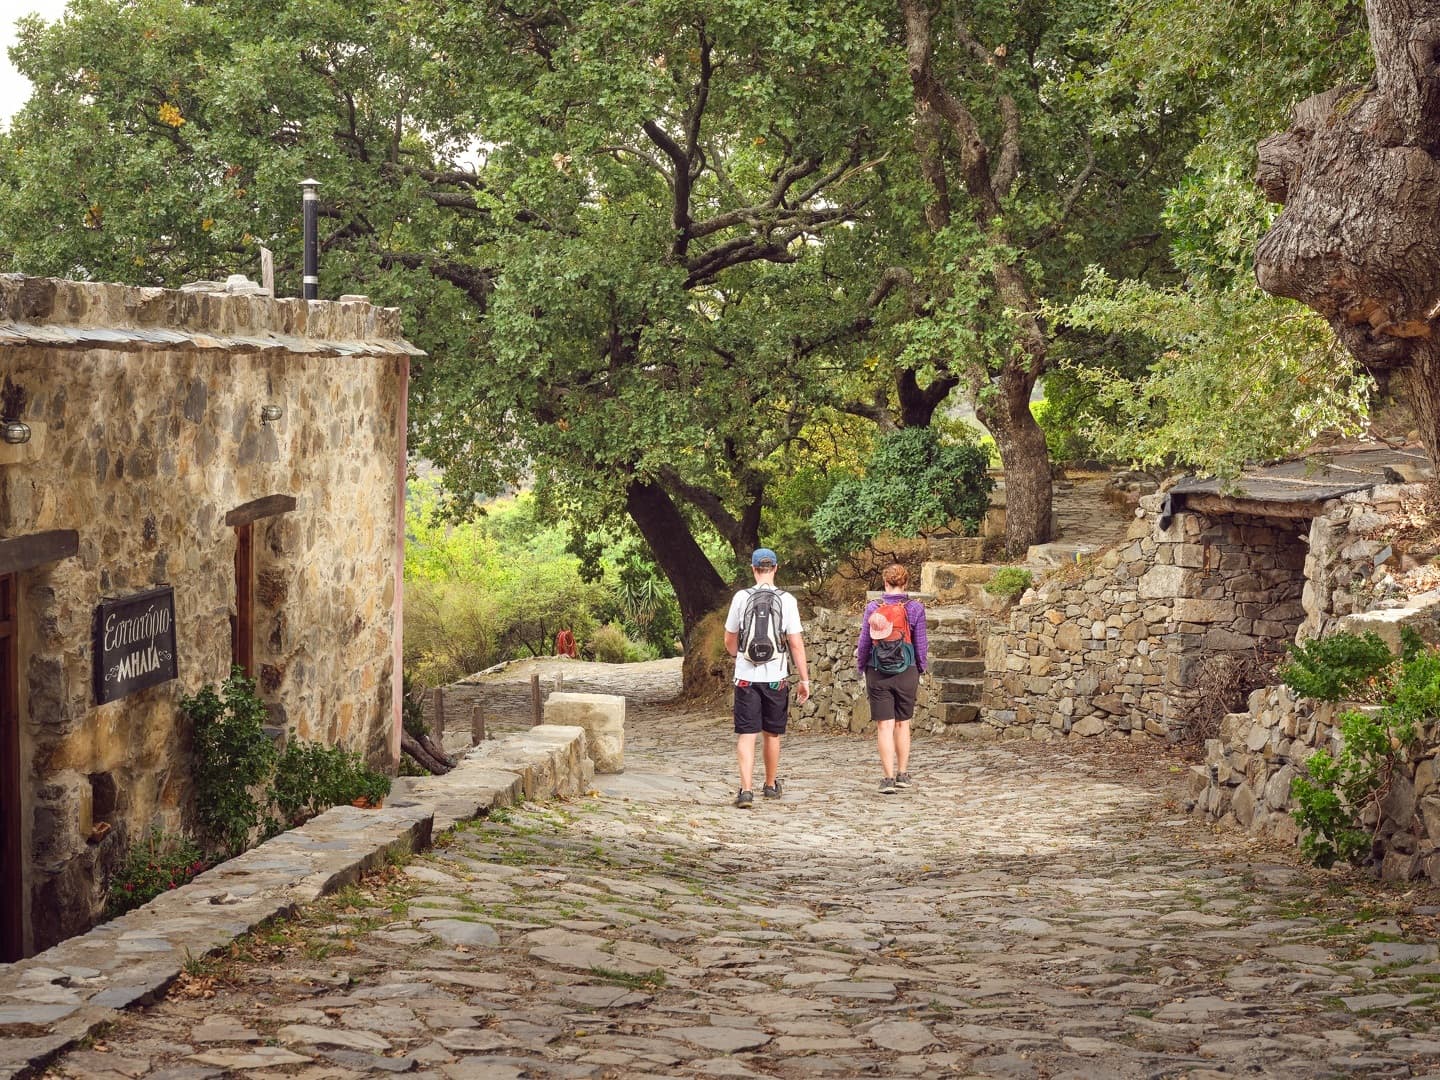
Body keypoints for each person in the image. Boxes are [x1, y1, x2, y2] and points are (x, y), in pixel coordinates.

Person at [724, 547, 810, 808]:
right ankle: (771, 785)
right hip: (776, 678)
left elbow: (729, 639)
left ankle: (746, 790)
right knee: (772, 734)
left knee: (746, 734)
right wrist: (804, 679)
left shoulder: (741, 597)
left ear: (753, 568)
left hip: (745, 678)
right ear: (775, 568)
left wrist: (739, 656)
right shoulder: (787, 600)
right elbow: (795, 643)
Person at [856, 563, 928, 795]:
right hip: (906, 670)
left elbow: (864, 642)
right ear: (905, 584)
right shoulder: (915, 608)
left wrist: (861, 666)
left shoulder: (873, 607)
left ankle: (887, 778)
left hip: (878, 670)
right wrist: (920, 667)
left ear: (885, 583)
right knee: (902, 723)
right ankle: (903, 774)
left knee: (884, 726)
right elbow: (921, 643)